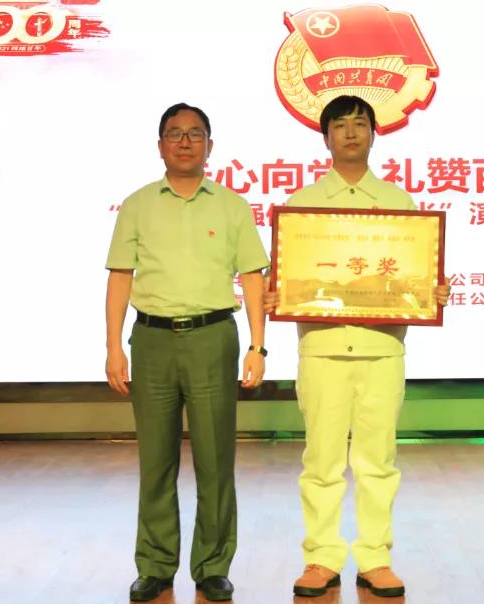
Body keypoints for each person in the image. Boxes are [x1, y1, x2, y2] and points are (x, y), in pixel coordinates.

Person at [264, 95, 451, 598]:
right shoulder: (302, 205)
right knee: (321, 462)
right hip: (322, 350)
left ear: (374, 133)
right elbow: (287, 281)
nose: (351, 133)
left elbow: (412, 279)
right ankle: (321, 558)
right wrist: (277, 295)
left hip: (382, 350)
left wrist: (430, 292)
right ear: (325, 137)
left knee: (378, 462)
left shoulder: (398, 204)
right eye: (341, 125)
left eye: (360, 124)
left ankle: (375, 558)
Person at [105, 102, 269, 602]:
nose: (184, 142)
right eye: (174, 134)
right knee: (155, 460)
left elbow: (253, 277)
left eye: (195, 134)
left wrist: (258, 346)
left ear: (210, 146)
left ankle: (212, 566)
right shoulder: (137, 205)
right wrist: (113, 347)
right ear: (160, 145)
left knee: (216, 459)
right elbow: (120, 277)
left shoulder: (231, 206)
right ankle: (155, 565)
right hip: (151, 339)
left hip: (212, 337)